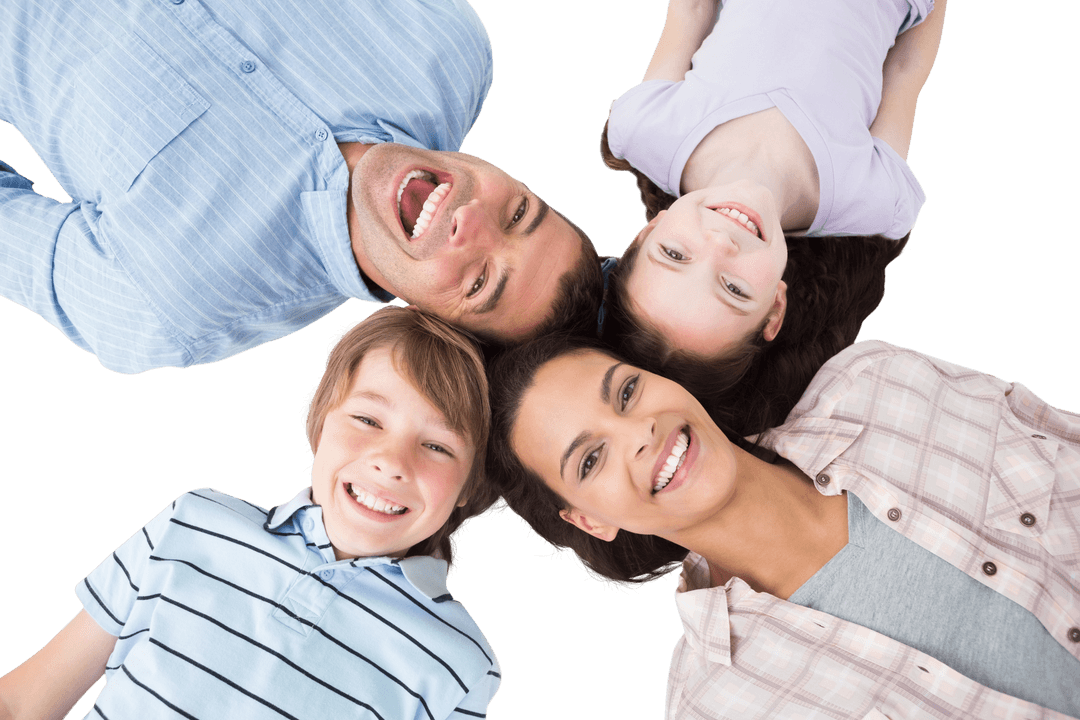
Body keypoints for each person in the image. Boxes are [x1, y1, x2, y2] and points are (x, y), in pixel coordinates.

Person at [484, 335, 1080, 718]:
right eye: (591, 460)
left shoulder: (876, 384)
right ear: (589, 519)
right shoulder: (713, 705)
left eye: (628, 391)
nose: (639, 432)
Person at [0, 0, 602, 375]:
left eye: (478, 282)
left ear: (429, 323)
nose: (472, 222)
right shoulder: (443, 41)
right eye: (519, 212)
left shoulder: (172, 304)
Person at [0, 306, 501, 719]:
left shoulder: (459, 664)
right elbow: (25, 701)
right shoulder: (192, 525)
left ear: (468, 486)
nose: (391, 463)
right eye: (368, 419)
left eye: (437, 446)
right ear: (320, 421)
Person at [596, 0, 944, 417]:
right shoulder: (872, 201)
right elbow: (906, 70)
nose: (720, 244)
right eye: (734, 289)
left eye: (675, 254)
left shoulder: (644, 131)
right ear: (775, 307)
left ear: (650, 232)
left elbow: (690, 11)